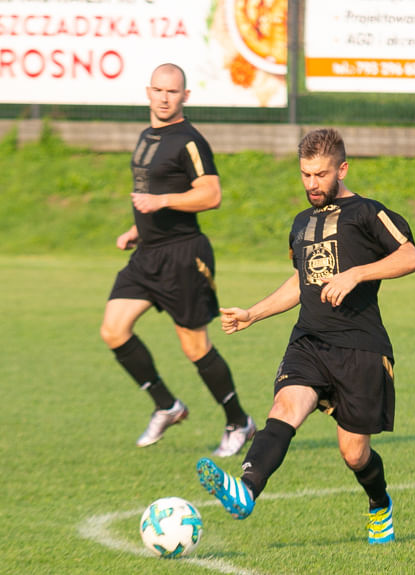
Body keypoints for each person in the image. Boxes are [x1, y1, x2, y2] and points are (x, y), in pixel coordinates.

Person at [195, 128, 415, 545]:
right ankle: (245, 490)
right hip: (310, 342)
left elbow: (411, 257)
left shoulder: (368, 213)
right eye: (305, 175)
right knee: (284, 406)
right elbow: (302, 279)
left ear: (342, 169)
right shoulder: (301, 223)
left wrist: (355, 273)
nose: (312, 184)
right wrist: (253, 313)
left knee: (354, 454)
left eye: (320, 175)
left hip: (361, 346)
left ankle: (379, 504)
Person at [100, 63, 255, 457]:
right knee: (113, 330)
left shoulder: (190, 140)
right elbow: (151, 193)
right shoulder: (146, 136)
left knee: (194, 346)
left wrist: (162, 202)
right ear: (147, 91)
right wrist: (138, 228)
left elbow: (211, 194)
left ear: (185, 96)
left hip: (184, 256)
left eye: (173, 92)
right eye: (158, 90)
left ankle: (239, 421)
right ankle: (167, 406)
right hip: (148, 255)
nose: (164, 98)